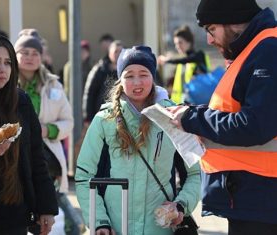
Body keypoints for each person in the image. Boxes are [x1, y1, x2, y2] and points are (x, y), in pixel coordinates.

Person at [166, 1, 277, 235]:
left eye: (211, 29)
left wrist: (193, 119)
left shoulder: (268, 49)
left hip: (263, 199)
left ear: (233, 23)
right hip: (255, 196)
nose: (208, 39)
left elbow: (255, 125)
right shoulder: (257, 49)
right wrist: (193, 114)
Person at [75, 46, 200, 235]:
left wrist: (180, 206)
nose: (137, 82)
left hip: (161, 229)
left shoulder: (174, 117)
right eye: (129, 75)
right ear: (120, 79)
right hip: (116, 228)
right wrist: (100, 221)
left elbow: (195, 174)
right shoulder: (104, 120)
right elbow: (84, 176)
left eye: (144, 74)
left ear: (153, 77)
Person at [0, 34, 58, 235]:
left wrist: (46, 208)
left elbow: (36, 156)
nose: (2, 69)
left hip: (13, 210)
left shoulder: (20, 101)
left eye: (8, 63)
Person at [15, 29, 74, 193]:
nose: (29, 57)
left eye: (35, 53)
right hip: (14, 156)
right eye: (24, 52)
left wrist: (47, 130)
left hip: (45, 158)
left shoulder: (54, 84)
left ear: (41, 57)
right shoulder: (6, 83)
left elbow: (68, 121)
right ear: (15, 54)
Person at [158, 25, 211, 104]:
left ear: (189, 42)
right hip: (181, 103)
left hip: (198, 103)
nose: (177, 46)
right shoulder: (182, 64)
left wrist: (166, 60)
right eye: (176, 44)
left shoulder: (199, 55)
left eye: (180, 43)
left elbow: (187, 60)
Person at [82, 40, 123, 124]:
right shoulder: (99, 69)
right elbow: (89, 93)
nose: (118, 54)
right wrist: (88, 118)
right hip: (102, 115)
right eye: (116, 51)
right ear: (109, 53)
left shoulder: (128, 71)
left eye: (121, 52)